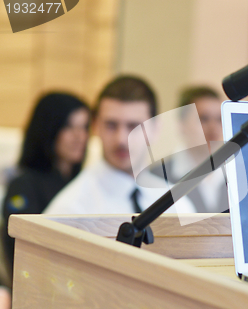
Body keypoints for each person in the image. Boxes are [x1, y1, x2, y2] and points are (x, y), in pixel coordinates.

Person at [44, 75, 194, 215]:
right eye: (111, 125)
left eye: (133, 126)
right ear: (95, 126)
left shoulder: (177, 204)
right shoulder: (71, 209)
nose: (121, 139)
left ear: (155, 129)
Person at [2, 92, 90, 284]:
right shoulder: (25, 185)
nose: (80, 136)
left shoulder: (86, 183)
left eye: (84, 127)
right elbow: (21, 253)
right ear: (48, 129)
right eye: (69, 127)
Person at [153, 86, 229, 213]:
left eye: (219, 119)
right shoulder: (158, 176)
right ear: (181, 124)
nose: (213, 128)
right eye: (203, 119)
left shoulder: (235, 176)